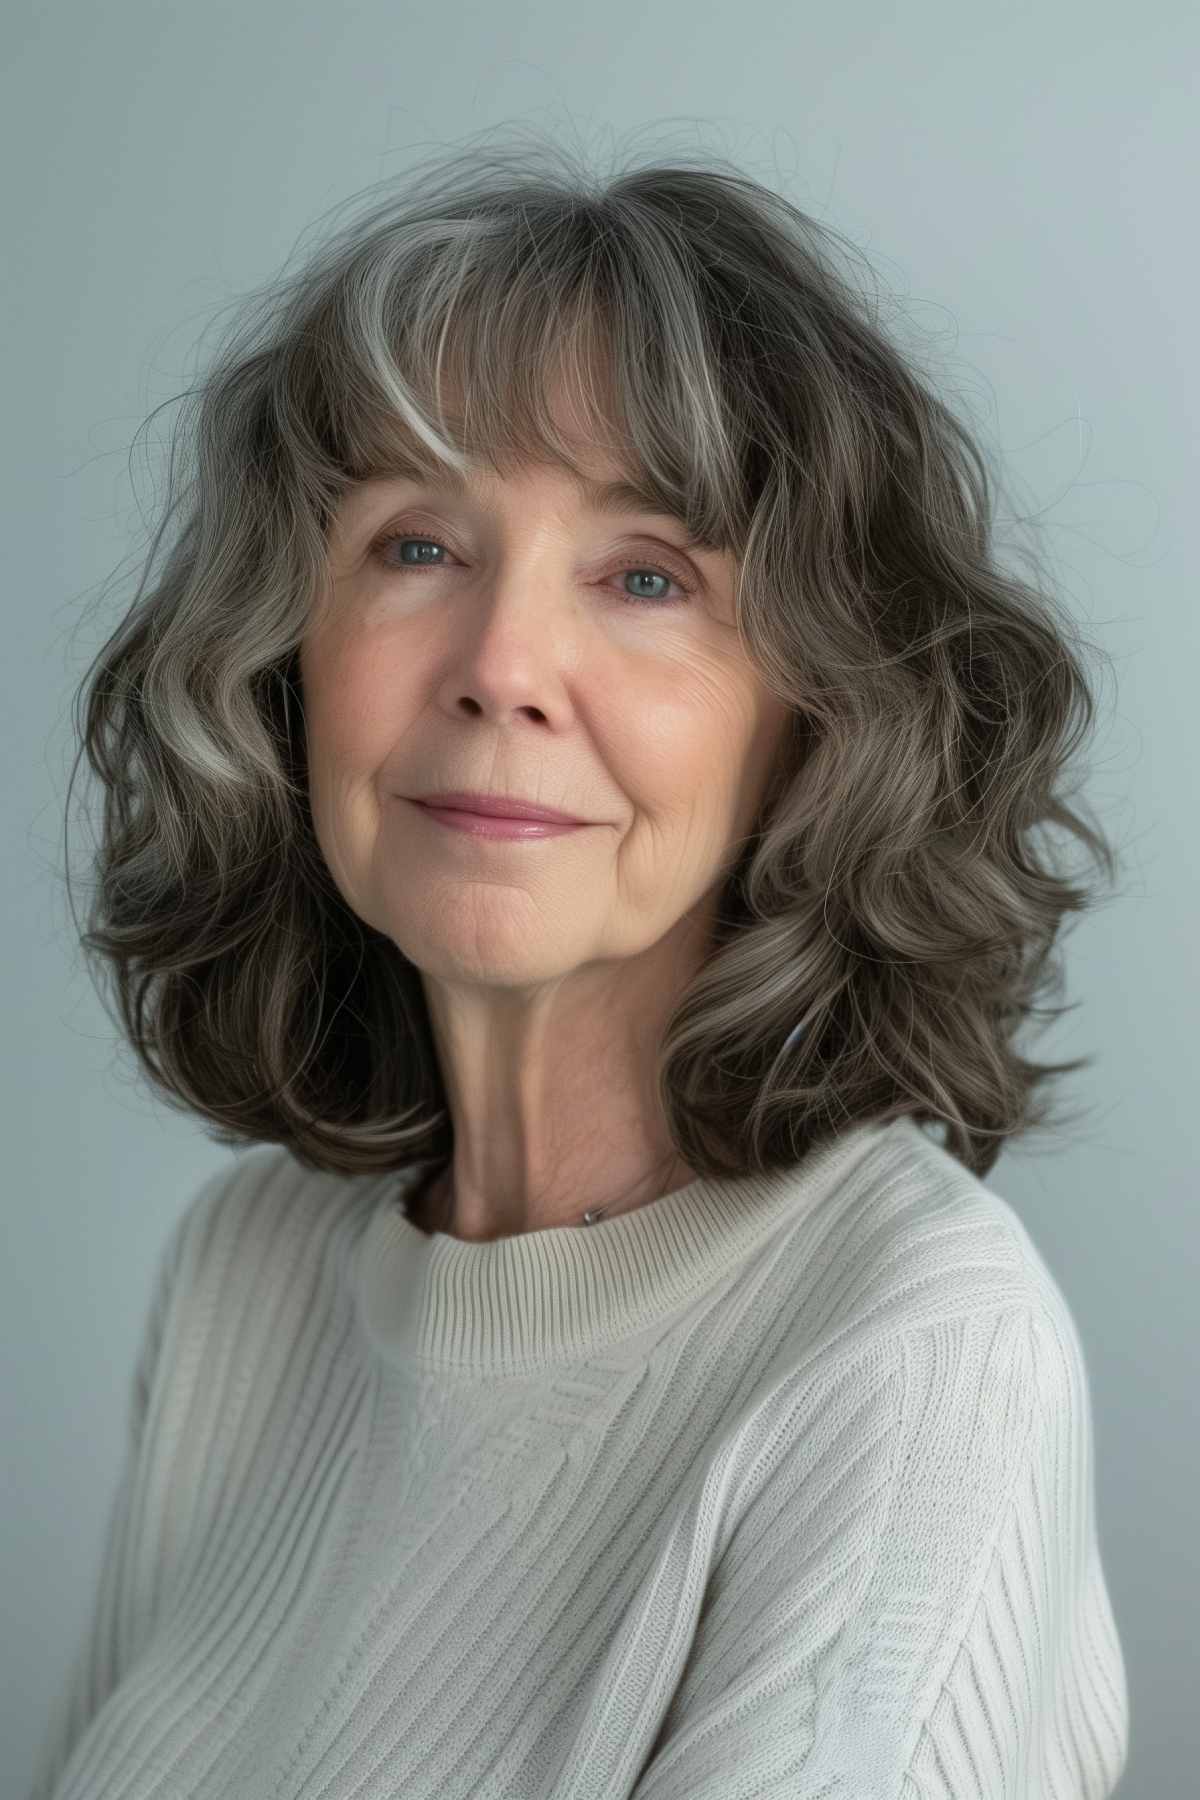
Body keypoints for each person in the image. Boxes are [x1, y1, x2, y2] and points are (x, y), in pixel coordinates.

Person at [31, 133, 1129, 1798]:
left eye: (645, 576)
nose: (502, 668)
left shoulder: (909, 1358)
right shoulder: (249, 1273)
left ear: (819, 722)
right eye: (417, 545)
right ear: (283, 661)